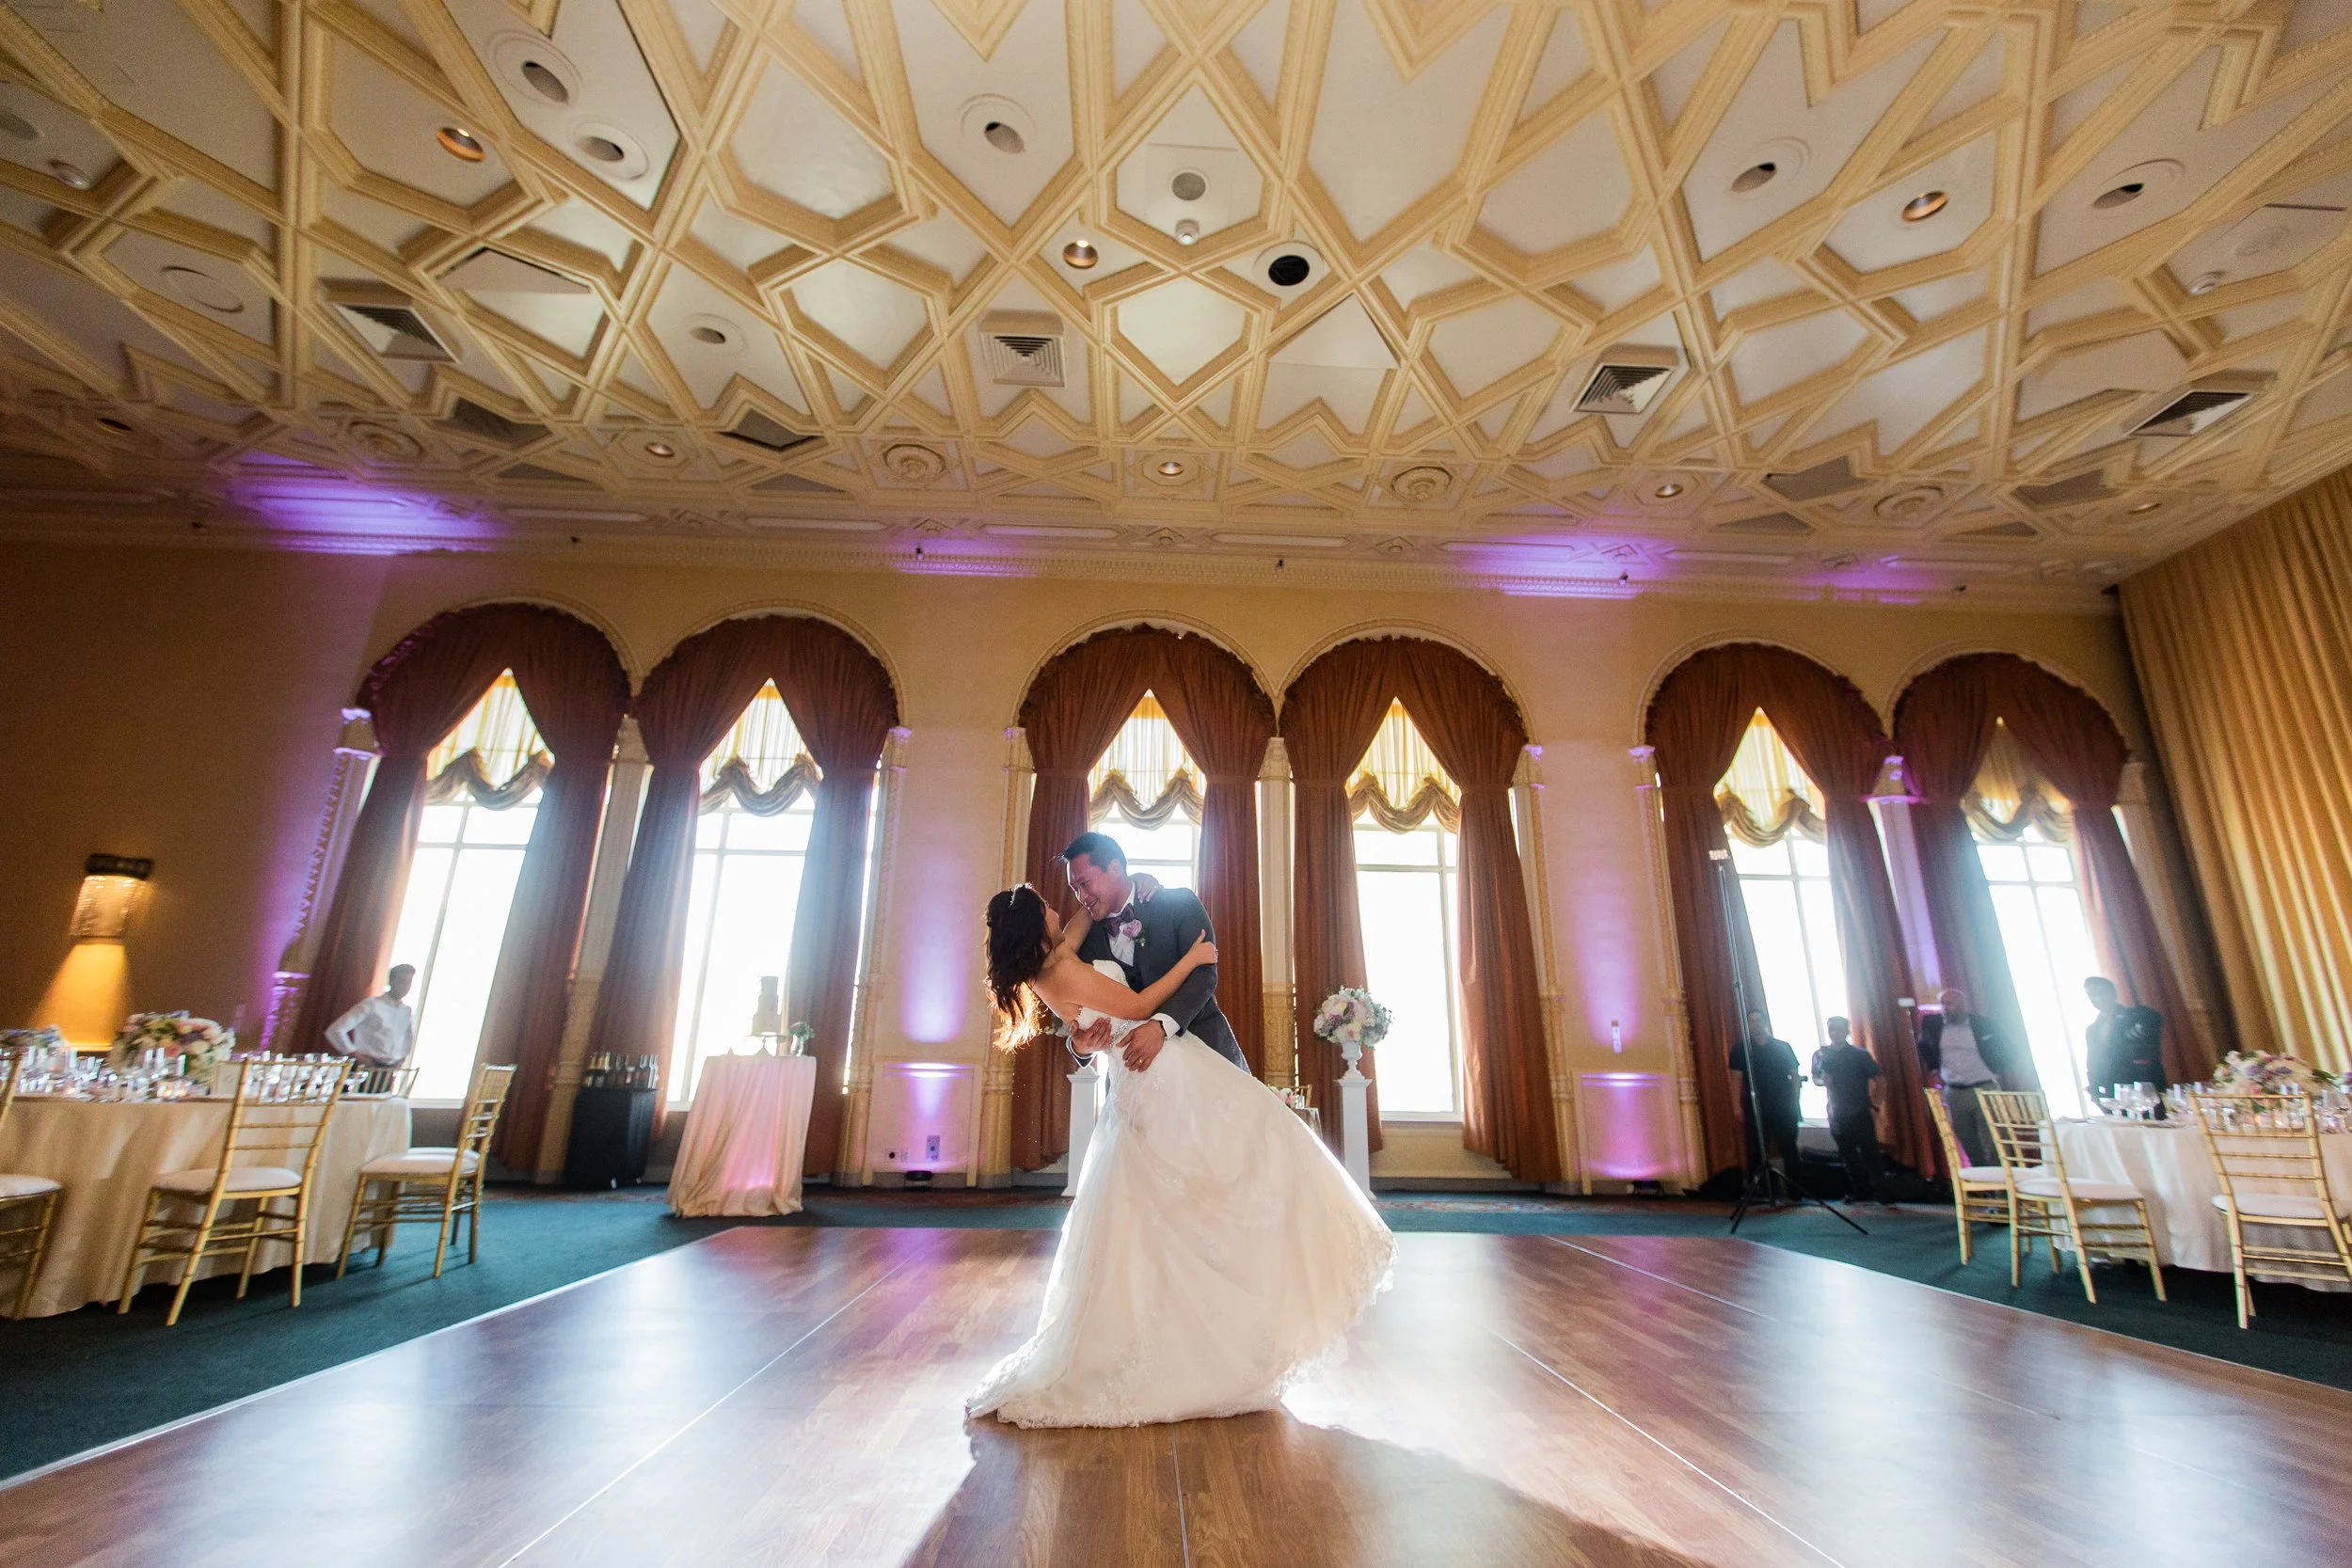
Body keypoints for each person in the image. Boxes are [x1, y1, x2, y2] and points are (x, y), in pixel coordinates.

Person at [969, 883, 1392, 1428]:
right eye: (1049, 906)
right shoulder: (1065, 971)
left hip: (1152, 1074)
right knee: (1239, 1157)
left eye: (1074, 889)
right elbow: (1141, 1005)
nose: (1063, 906)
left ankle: (1227, 1327)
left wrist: (1097, 902)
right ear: (1035, 926)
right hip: (1157, 1076)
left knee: (1181, 1202)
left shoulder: (1057, 958)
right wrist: (1192, 957)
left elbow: (1079, 921)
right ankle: (1217, 1338)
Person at [1059, 831, 1248, 1075]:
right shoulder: (1085, 941)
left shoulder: (1179, 904)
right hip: (1135, 1082)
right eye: (1075, 889)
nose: (1081, 897)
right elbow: (1081, 1011)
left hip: (1207, 1065)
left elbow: (1204, 977)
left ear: (1115, 868)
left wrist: (1161, 1026)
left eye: (1084, 884)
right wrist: (1080, 1046)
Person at [1916, 987, 2016, 1167]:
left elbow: (2009, 1051)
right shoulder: (1932, 1024)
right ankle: (1984, 1185)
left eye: (1950, 1003)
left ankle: (2002, 1188)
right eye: (1942, 1004)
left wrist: (1996, 1068)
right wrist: (1933, 1067)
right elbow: (1922, 1045)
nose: (1945, 1008)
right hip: (1955, 1091)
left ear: (1963, 1005)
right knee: (1967, 1140)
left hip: (1985, 1088)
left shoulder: (1984, 1025)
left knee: (1992, 1141)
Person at [1811, 1016, 1887, 1206]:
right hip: (1836, 1112)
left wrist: (1876, 1105)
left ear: (1846, 1031)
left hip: (1860, 1110)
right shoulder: (1821, 1054)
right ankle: (1860, 1191)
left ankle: (1883, 1192)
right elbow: (1816, 1079)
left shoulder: (1859, 1055)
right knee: (1847, 1155)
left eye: (1839, 1028)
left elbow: (1881, 1080)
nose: (1835, 1032)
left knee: (1870, 1153)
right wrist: (1823, 1081)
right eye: (1831, 1029)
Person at [1728, 1010, 1803, 1183]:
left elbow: (1795, 1077)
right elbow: (1736, 1079)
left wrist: (1795, 1101)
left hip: (1783, 1104)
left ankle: (1796, 1189)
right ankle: (1762, 1189)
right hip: (1755, 1106)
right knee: (1756, 1149)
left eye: (1758, 1021)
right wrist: (1736, 1106)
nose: (1755, 1025)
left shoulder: (1783, 1047)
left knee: (1789, 1146)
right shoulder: (1741, 1049)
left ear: (1765, 1022)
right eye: (1751, 1022)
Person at [2084, 976, 2167, 1104]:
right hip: (2111, 1092)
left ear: (2112, 993)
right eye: (2091, 994)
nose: (2097, 998)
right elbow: (2092, 1062)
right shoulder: (2093, 1029)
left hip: (2144, 1087)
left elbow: (2154, 1020)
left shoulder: (2137, 1015)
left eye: (2101, 992)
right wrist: (2094, 1089)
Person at [324, 964, 416, 1068]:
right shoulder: (371, 1005)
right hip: (365, 1065)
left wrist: (402, 1058)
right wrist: (352, 1053)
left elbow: (407, 1038)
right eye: (401, 981)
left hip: (389, 1069)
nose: (405, 986)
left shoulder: (406, 1011)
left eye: (409, 982)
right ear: (391, 981)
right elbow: (335, 1030)